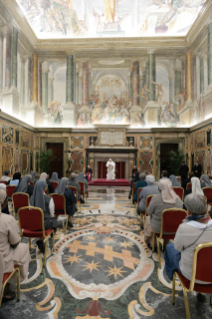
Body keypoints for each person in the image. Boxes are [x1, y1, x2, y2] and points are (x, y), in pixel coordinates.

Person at [164, 194, 212, 301]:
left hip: (192, 276)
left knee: (169, 247)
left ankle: (170, 276)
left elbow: (178, 248)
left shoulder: (184, 228)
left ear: (188, 210)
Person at [0, 189, 31, 302]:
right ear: (3, 202)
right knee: (24, 247)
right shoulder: (7, 219)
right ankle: (7, 287)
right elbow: (15, 242)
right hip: (2, 262)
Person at [144, 178, 183, 244]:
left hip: (159, 228)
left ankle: (153, 244)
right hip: (176, 228)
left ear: (159, 188)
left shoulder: (155, 198)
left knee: (148, 218)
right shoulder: (178, 199)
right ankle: (165, 244)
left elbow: (149, 212)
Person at [30, 180, 58, 253]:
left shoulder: (31, 198)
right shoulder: (49, 199)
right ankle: (50, 234)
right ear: (45, 188)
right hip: (44, 225)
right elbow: (52, 214)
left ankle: (41, 241)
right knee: (53, 220)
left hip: (32, 225)